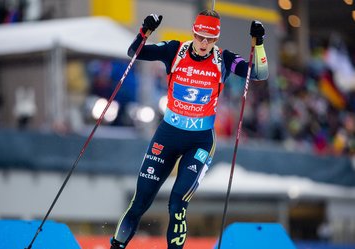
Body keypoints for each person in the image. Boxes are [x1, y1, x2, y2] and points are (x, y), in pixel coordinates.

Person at [110, 10, 269, 249]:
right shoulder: (175, 50)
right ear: (194, 33)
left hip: (200, 141)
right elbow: (136, 52)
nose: (205, 43)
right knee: (139, 201)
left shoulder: (223, 59)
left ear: (217, 39)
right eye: (201, 37)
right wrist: (145, 31)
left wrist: (259, 44)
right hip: (167, 135)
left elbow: (258, 73)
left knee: (177, 204)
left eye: (211, 39)